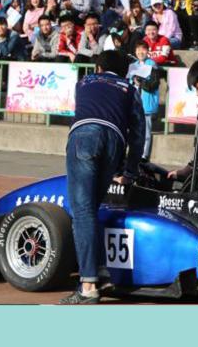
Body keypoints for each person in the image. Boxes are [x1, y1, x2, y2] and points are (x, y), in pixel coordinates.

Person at [60, 50, 145, 304]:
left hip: (84, 137)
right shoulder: (130, 89)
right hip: (114, 142)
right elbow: (139, 135)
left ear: (98, 68)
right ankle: (100, 270)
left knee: (82, 212)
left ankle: (88, 285)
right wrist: (129, 172)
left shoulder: (84, 82)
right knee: (92, 209)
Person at [129, 41, 160, 160]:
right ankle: (134, 153)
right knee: (134, 130)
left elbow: (153, 84)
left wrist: (140, 82)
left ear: (148, 51)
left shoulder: (152, 64)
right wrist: (133, 81)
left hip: (146, 103)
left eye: (143, 49)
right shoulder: (134, 65)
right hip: (134, 102)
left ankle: (144, 155)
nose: (140, 52)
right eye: (138, 50)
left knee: (146, 131)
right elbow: (129, 82)